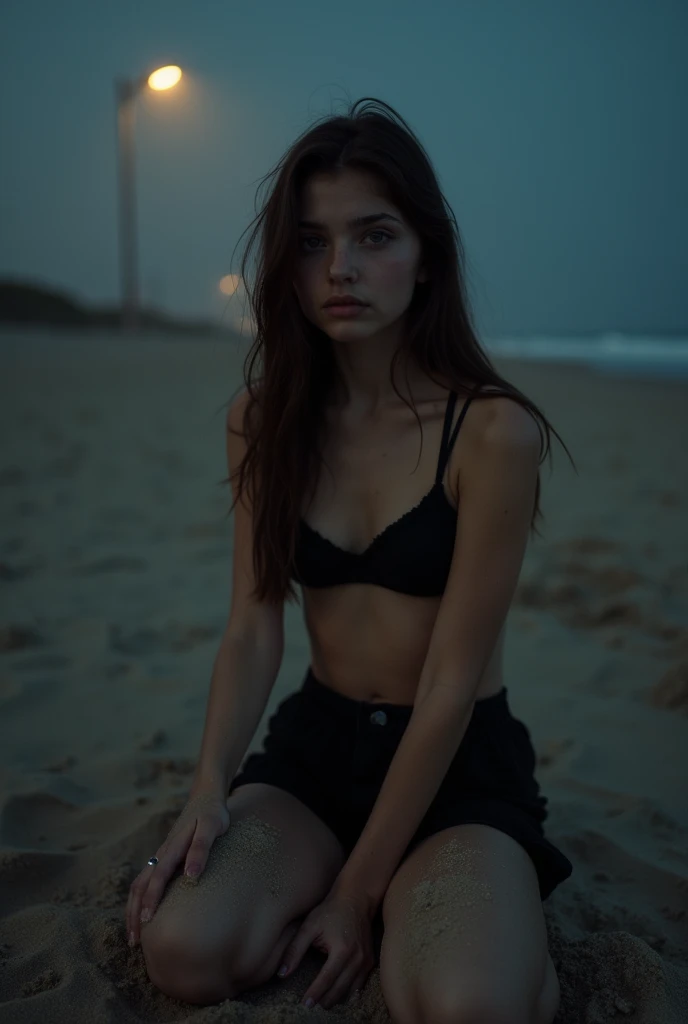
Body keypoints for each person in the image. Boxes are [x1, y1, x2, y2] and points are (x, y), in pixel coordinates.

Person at [125, 97, 576, 1021]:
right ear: (285, 268)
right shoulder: (262, 422)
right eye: (311, 243)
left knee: (466, 1008)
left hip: (454, 765)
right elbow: (254, 625)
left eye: (374, 236)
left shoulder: (491, 431)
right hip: (319, 749)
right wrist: (209, 788)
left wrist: (354, 896)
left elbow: (452, 683)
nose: (341, 269)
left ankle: (461, 914)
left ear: (427, 255)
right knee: (185, 952)